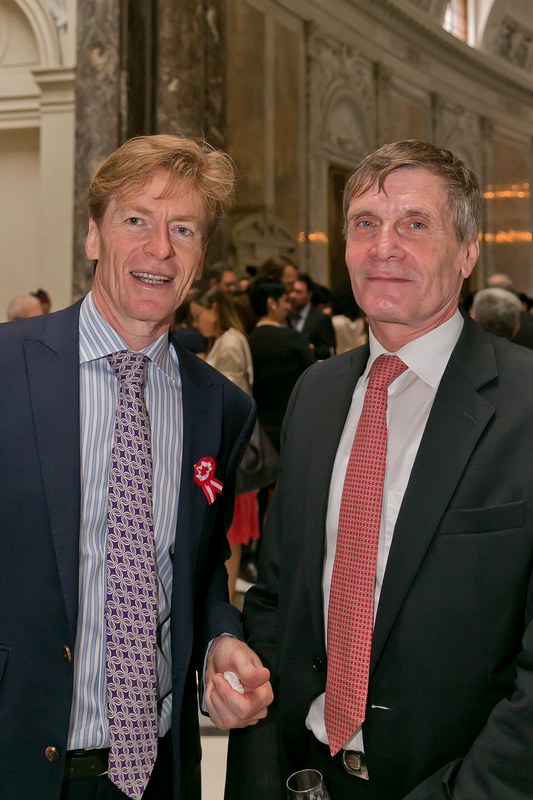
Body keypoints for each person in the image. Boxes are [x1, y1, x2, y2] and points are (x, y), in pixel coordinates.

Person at [225, 140, 533, 800]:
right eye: (365, 223)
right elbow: (276, 595)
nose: (383, 246)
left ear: (468, 251)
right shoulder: (316, 394)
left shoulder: (524, 405)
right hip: (306, 773)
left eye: (415, 224)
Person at [0, 134, 272, 800]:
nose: (160, 249)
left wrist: (221, 640)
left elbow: (200, 567)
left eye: (183, 229)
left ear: (201, 256)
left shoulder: (221, 407)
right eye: (136, 221)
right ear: (93, 236)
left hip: (155, 774)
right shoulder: (8, 369)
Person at [189, 288, 260, 606]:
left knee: (229, 537)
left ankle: (227, 611)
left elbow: (227, 397)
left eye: (198, 315)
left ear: (214, 310)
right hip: (231, 449)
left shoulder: (229, 343)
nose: (197, 323)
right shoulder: (227, 340)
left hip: (231, 452)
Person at [288, 273, 336, 359]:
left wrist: (308, 349)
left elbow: (328, 351)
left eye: (298, 292)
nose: (293, 296)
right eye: (291, 291)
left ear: (309, 294)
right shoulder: (286, 316)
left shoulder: (321, 319)